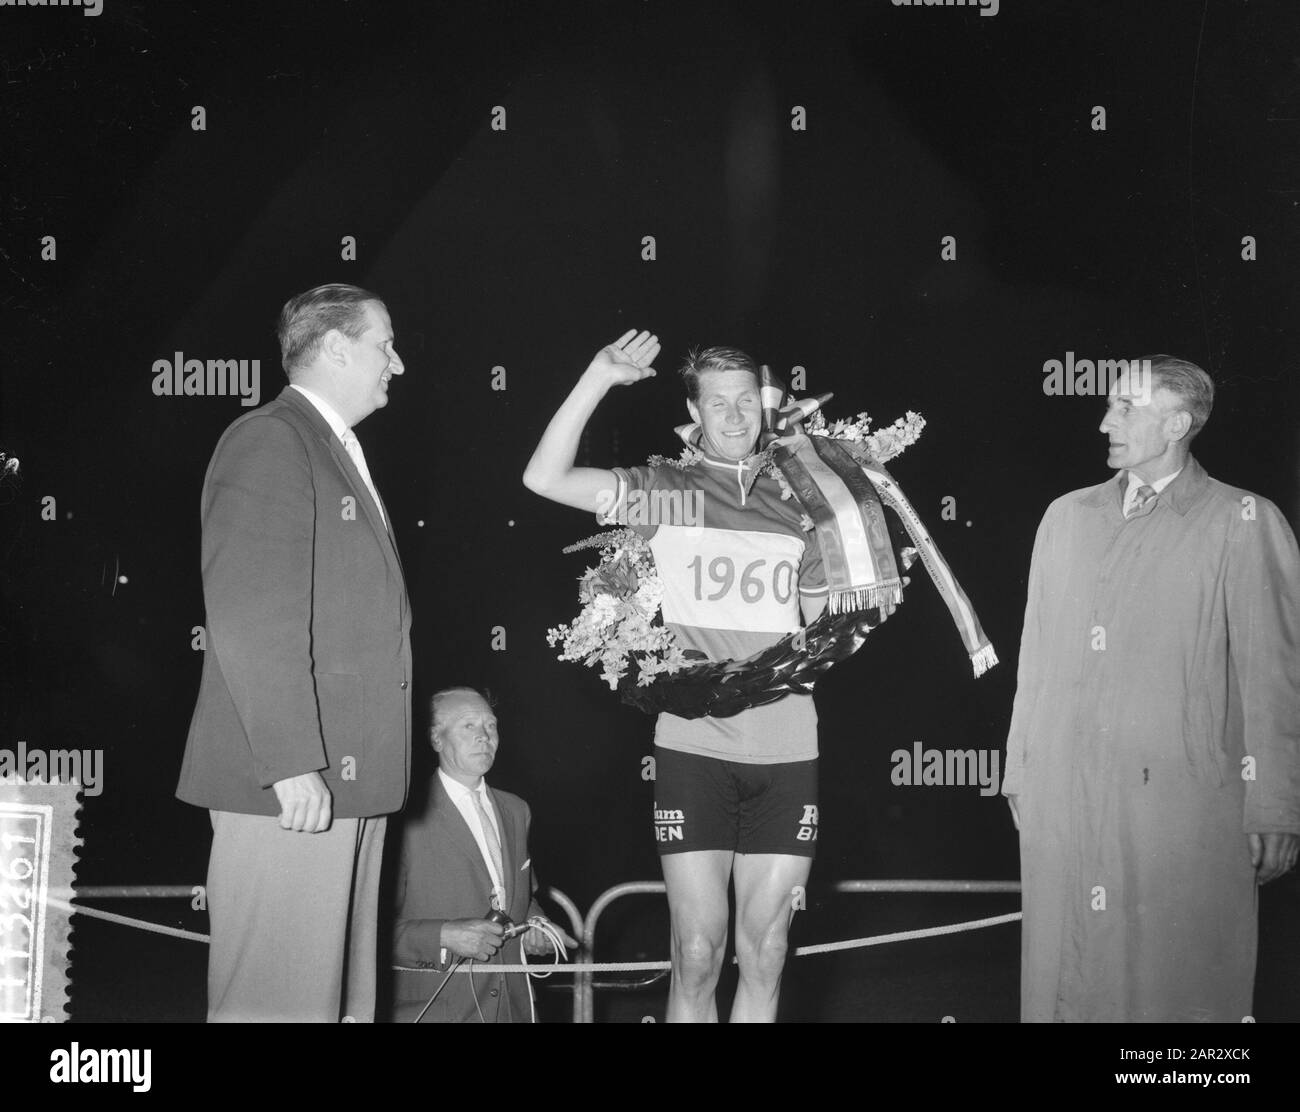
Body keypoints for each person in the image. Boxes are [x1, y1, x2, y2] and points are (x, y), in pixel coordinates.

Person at [524, 334, 829, 1022]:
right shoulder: (671, 494)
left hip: (787, 746)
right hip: (695, 746)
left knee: (769, 947)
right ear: (694, 411)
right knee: (696, 949)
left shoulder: (802, 500)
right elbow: (543, 479)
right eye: (716, 402)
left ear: (766, 404)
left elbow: (823, 628)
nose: (733, 414)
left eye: (746, 399)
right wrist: (597, 377)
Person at [1002, 355, 1300, 1022]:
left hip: (1184, 799)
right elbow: (1037, 656)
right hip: (1065, 790)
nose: (1106, 420)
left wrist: (1276, 804)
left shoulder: (1243, 520)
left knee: (1179, 982)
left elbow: (1275, 674)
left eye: (1125, 408)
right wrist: (1022, 768)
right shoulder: (1066, 518)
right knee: (1064, 974)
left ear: (1178, 423)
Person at [176, 283, 412, 1022]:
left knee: (332, 1007)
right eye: (385, 345)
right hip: (296, 786)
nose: (397, 365)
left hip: (350, 781)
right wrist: (288, 760)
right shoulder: (271, 438)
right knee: (274, 1006)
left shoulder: (333, 448)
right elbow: (250, 611)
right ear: (337, 348)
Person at [389, 687, 577, 1023]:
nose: (484, 737)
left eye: (490, 726)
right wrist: (443, 936)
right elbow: (365, 930)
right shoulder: (402, 815)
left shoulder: (517, 810)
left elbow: (522, 900)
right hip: (434, 1010)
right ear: (436, 739)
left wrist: (539, 925)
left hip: (512, 1010)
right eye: (468, 726)